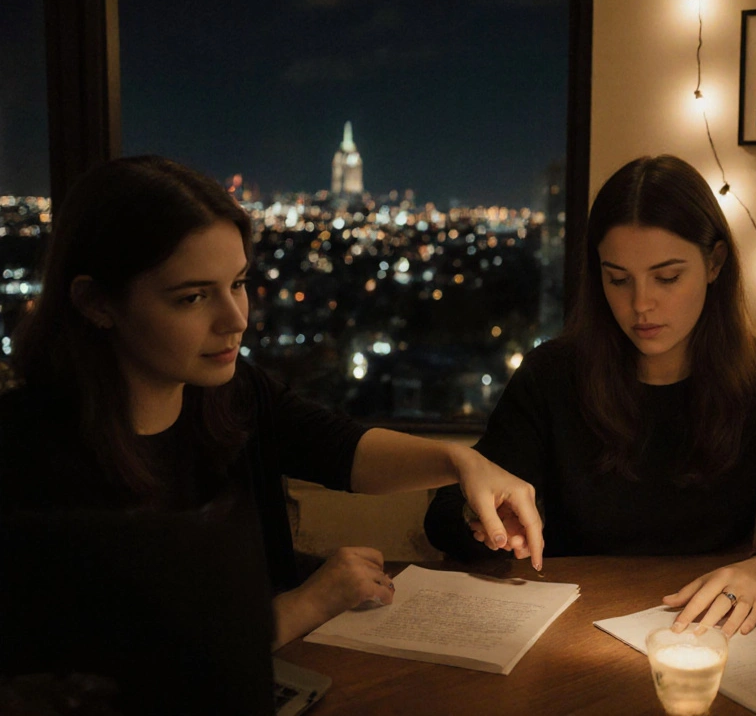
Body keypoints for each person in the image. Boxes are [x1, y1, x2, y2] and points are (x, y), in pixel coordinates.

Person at [0, 155, 545, 652]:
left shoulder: (234, 397)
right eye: (192, 297)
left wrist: (461, 462)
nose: (235, 319)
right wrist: (309, 601)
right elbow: (120, 666)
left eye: (237, 284)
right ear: (96, 304)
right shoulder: (29, 458)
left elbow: (343, 449)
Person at [425, 154, 756, 637]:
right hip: (573, 629)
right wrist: (482, 517)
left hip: (706, 633)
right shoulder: (552, 374)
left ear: (715, 263)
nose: (641, 305)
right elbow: (444, 515)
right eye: (618, 279)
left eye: (667, 277)